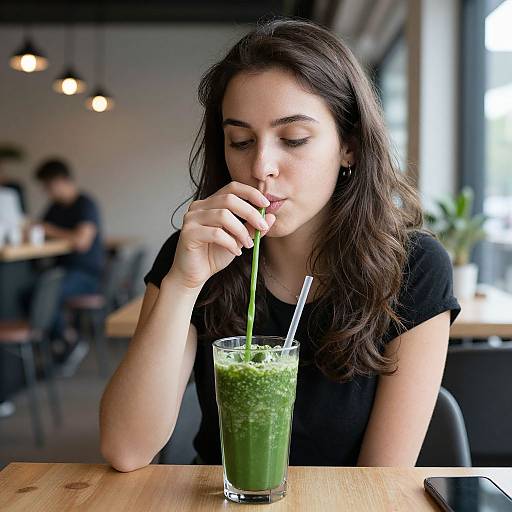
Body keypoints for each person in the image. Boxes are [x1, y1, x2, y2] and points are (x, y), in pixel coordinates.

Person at [100, 18, 461, 471]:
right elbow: (125, 448)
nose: (261, 166)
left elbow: (379, 481)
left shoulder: (412, 268)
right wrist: (182, 284)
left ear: (348, 145)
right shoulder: (196, 254)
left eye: (294, 139)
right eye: (241, 141)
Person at [34, 158, 105, 365]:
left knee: (45, 293)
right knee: (34, 290)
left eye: (48, 185)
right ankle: (64, 339)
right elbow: (41, 228)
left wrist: (49, 230)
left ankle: (68, 340)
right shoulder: (55, 207)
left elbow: (81, 242)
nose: (46, 191)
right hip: (63, 271)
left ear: (62, 180)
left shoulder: (85, 203)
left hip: (87, 275)